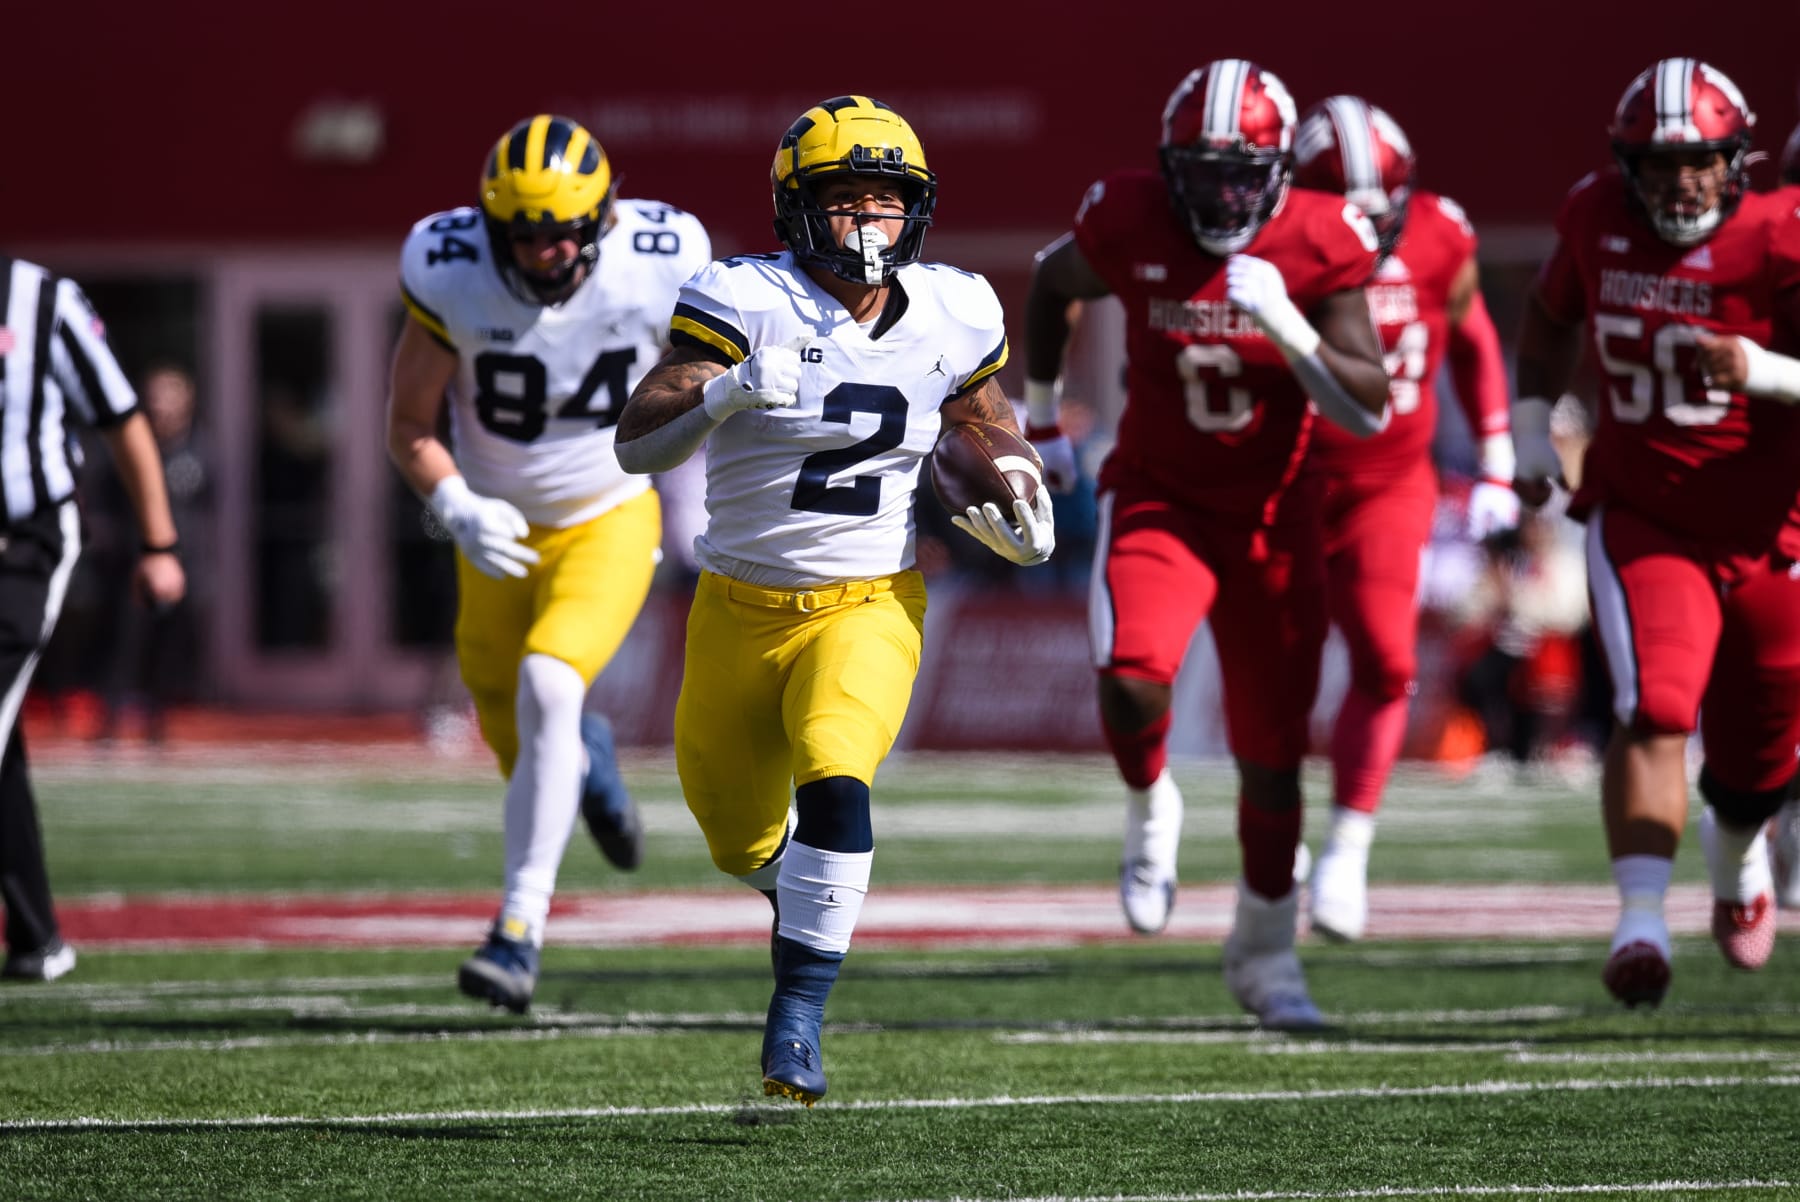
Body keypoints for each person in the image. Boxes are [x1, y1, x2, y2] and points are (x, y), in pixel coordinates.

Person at [614, 95, 1052, 1105]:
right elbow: (636, 440)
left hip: (870, 598)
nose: (865, 221)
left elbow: (990, 421)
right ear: (795, 208)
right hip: (736, 603)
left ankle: (799, 1012)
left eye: (885, 201)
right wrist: (721, 393)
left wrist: (1023, 486)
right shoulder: (742, 298)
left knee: (836, 770)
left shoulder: (954, 310)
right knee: (734, 834)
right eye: (843, 198)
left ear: (918, 212)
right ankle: (812, 896)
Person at [1022, 60, 1389, 1028]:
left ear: (1276, 170)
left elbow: (1367, 403)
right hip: (1162, 497)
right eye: (1199, 170)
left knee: (1274, 758)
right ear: (1167, 165)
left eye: (1238, 173)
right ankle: (1152, 813)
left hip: (1275, 518)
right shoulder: (1131, 215)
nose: (1218, 194)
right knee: (1131, 673)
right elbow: (1052, 280)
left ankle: (1267, 955)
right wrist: (1041, 416)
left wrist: (1286, 323)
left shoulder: (1321, 237)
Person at [385, 113, 711, 1013]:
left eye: (564, 228)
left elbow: (706, 386)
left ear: (603, 219)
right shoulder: (448, 268)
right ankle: (590, 758)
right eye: (524, 232)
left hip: (607, 513)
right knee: (519, 734)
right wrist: (454, 503)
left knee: (550, 684)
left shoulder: (661, 256)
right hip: (492, 530)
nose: (544, 250)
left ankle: (518, 930)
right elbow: (409, 422)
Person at [1512, 58, 1800, 1007]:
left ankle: (1738, 866)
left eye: (1701, 161)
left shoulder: (1781, 234)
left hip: (1773, 526)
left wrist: (1764, 369)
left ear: (1738, 159)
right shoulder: (1596, 214)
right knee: (1656, 707)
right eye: (1658, 162)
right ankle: (1639, 922)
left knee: (1761, 757)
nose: (1679, 181)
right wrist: (1530, 428)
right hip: (1648, 515)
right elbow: (1550, 317)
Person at [1289, 95, 1517, 940]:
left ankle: (1349, 843)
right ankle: (1277, 836)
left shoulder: (1439, 230)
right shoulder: (1271, 239)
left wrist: (1496, 454)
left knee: (1386, 660)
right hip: (1289, 482)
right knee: (1280, 669)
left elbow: (1472, 332)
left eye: (1381, 210)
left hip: (1390, 479)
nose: (1370, 229)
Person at [0, 257, 187, 981]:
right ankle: (36, 934)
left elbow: (122, 418)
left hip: (24, 543)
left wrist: (160, 543)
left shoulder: (41, 302)